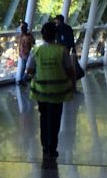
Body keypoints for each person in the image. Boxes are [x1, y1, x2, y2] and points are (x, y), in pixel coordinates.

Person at [26, 22, 75, 168]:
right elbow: (69, 70)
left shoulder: (36, 50)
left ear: (42, 35)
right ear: (55, 34)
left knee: (44, 119)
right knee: (55, 121)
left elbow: (29, 70)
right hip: (59, 92)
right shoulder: (62, 50)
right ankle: (52, 148)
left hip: (41, 92)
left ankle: (45, 147)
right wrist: (72, 84)